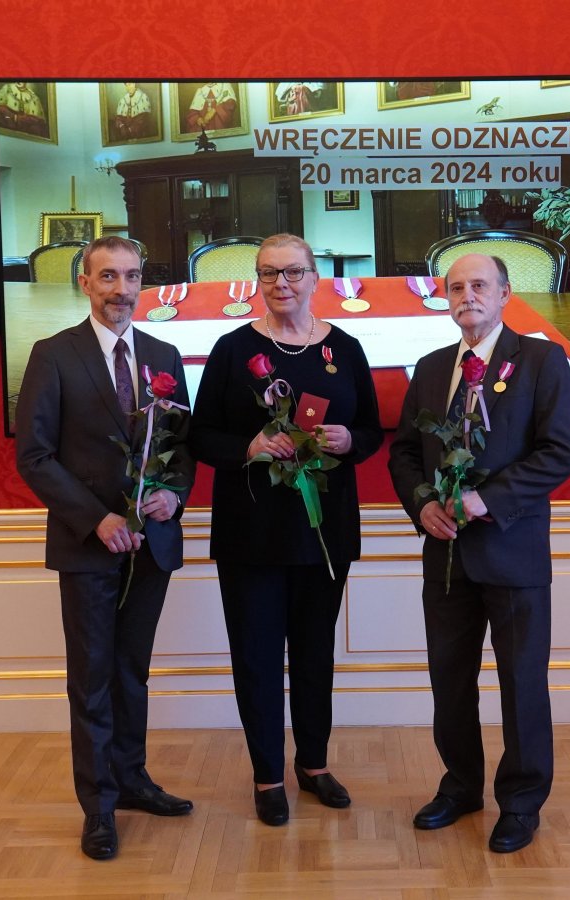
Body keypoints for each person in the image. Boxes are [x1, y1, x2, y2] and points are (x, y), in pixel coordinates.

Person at [387, 253, 570, 854]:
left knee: (522, 683)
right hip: (445, 553)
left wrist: (484, 500)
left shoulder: (542, 360)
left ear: (504, 294)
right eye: (455, 287)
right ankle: (461, 786)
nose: (466, 295)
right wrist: (423, 504)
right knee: (449, 679)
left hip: (513, 551)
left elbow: (559, 452)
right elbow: (404, 452)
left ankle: (521, 803)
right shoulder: (430, 367)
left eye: (478, 285)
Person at [191, 234, 383, 826]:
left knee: (315, 653)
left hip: (324, 532)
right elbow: (200, 435)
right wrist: (249, 445)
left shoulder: (345, 348)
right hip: (251, 534)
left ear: (315, 277)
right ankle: (268, 776)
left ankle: (314, 766)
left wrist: (349, 440)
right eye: (270, 273)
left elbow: (371, 430)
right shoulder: (232, 349)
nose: (282, 283)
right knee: (255, 657)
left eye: (294, 272)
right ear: (257, 280)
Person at [16, 236, 195, 861]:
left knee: (131, 671)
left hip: (152, 544)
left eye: (132, 276)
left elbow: (182, 447)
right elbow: (34, 455)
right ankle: (98, 807)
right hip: (88, 544)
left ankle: (132, 780)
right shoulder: (53, 354)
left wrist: (172, 495)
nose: (122, 289)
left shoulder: (163, 355)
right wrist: (97, 519)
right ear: (86, 283)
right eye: (109, 276)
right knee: (91, 678)